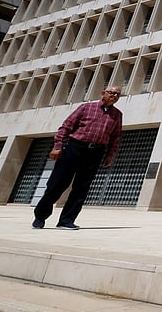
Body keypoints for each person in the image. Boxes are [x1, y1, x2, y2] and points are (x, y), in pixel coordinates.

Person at [32, 86, 124, 230]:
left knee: (81, 188)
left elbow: (115, 137)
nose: (114, 96)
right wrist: (58, 146)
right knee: (57, 184)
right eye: (111, 93)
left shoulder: (117, 115)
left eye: (118, 94)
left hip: (96, 152)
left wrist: (110, 155)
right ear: (103, 93)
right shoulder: (86, 107)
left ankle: (66, 220)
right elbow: (66, 127)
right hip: (75, 148)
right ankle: (40, 216)